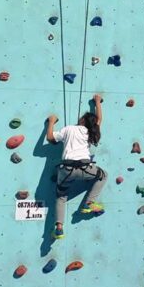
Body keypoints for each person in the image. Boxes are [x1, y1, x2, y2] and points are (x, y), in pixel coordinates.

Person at [46, 94, 108, 239]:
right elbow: (99, 120)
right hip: (86, 169)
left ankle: (59, 227)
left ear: (82, 120)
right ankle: (89, 203)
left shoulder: (69, 129)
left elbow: (50, 138)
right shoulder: (90, 132)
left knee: (61, 197)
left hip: (66, 170)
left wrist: (51, 122)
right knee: (103, 175)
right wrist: (98, 102)